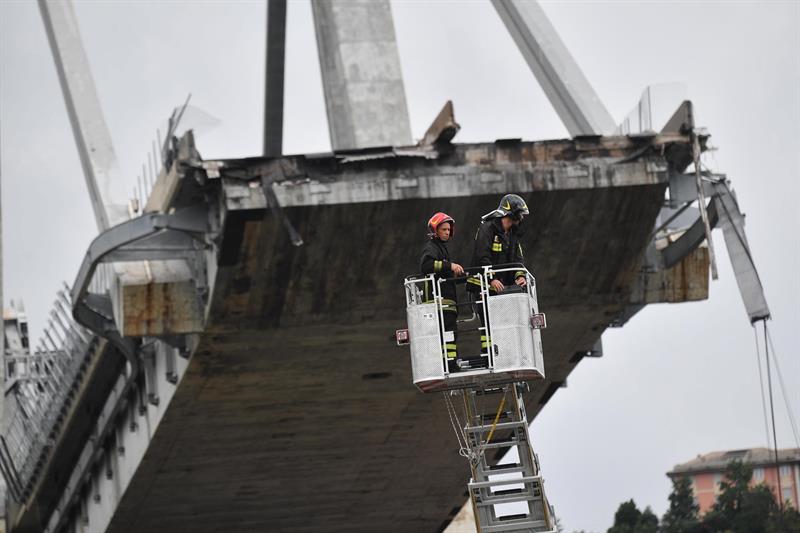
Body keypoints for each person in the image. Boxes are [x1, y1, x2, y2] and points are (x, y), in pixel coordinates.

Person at [466, 194, 530, 353]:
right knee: (488, 321)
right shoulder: (487, 229)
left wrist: (520, 276)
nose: (522, 218)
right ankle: (489, 353)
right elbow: (482, 255)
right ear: (511, 213)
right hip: (483, 285)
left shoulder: (513, 234)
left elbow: (517, 258)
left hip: (502, 287)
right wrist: (491, 279)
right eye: (520, 214)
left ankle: (505, 351)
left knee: (504, 321)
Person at [419, 212, 464, 373]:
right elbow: (426, 266)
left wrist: (459, 276)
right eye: (444, 229)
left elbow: (442, 272)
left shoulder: (441, 248)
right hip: (438, 302)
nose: (447, 232)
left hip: (446, 302)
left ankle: (451, 362)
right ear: (435, 230)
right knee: (448, 334)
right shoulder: (431, 247)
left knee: (450, 333)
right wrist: (450, 266)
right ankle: (449, 365)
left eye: (448, 230)